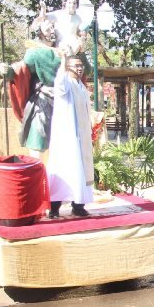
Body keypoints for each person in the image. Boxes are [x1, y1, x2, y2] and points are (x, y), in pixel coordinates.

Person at [0, 19, 61, 156]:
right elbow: (21, 71)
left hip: (64, 100)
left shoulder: (63, 51)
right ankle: (35, 167)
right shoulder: (34, 53)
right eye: (48, 29)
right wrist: (8, 71)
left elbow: (83, 70)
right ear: (40, 33)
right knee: (37, 137)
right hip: (43, 99)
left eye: (53, 27)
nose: (52, 31)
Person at [46, 50, 94, 218]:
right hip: (67, 138)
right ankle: (54, 208)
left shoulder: (81, 86)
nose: (79, 69)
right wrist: (63, 59)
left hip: (82, 138)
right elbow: (59, 81)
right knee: (64, 170)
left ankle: (78, 206)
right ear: (67, 67)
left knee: (81, 172)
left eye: (81, 66)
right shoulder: (65, 82)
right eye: (76, 66)